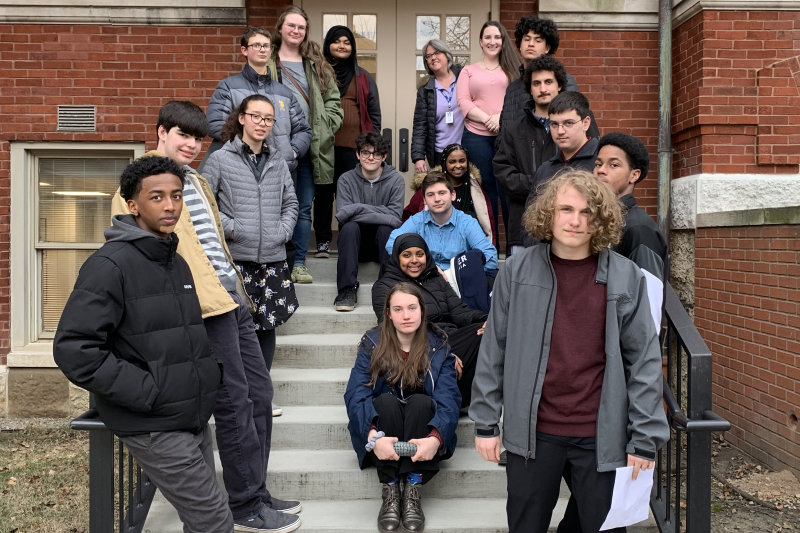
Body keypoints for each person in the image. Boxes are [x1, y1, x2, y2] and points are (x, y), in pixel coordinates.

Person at [109, 102, 301, 531]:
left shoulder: (194, 179)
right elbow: (136, 258)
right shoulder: (141, 184)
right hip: (199, 308)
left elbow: (212, 242)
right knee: (233, 404)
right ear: (162, 132)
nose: (192, 146)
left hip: (231, 299)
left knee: (259, 397)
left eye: (198, 138)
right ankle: (245, 506)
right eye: (183, 136)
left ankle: (256, 490)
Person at [470, 170, 670, 533]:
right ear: (550, 213)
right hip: (533, 435)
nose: (575, 221)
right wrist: (485, 422)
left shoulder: (627, 276)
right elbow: (493, 350)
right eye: (566, 209)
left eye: (586, 212)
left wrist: (644, 437)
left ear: (600, 220)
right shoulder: (515, 271)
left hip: (601, 437)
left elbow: (644, 362)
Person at [54, 156, 233, 532]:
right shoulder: (110, 266)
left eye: (177, 195)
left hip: (192, 416)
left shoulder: (176, 261)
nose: (170, 205)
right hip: (154, 422)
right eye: (157, 197)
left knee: (204, 519)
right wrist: (146, 390)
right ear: (133, 205)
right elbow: (75, 349)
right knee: (215, 522)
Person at [204, 95, 299, 410]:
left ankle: (262, 396)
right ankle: (237, 396)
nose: (262, 123)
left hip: (272, 260)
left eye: (269, 118)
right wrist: (232, 229)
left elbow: (291, 203)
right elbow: (207, 204)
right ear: (241, 118)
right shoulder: (220, 158)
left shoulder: (278, 160)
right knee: (236, 332)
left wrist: (283, 232)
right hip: (236, 260)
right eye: (256, 116)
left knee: (266, 328)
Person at [344, 282, 461, 533]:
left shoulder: (438, 345)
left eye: (411, 308)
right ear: (388, 313)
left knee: (420, 402)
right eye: (398, 309)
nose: (406, 316)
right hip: (385, 429)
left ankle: (412, 487)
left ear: (422, 311)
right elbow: (356, 393)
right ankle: (390, 487)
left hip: (423, 430)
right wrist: (372, 437)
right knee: (385, 401)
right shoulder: (372, 343)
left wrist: (436, 438)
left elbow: (449, 398)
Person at [267, 6, 344, 284]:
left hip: (311, 147)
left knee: (301, 208)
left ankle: (298, 263)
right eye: (291, 26)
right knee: (272, 206)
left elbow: (334, 102)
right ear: (280, 28)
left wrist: (327, 126)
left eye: (301, 27)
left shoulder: (316, 63)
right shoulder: (267, 62)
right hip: (273, 147)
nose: (296, 31)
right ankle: (276, 261)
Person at [495, 56, 599, 256]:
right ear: (530, 88)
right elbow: (503, 174)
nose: (543, 88)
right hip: (527, 231)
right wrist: (543, 184)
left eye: (548, 82)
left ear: (559, 85)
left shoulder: (584, 122)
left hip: (580, 240)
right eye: (536, 83)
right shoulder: (513, 131)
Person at [373, 234, 487, 408]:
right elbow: (393, 329)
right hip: (421, 346)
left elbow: (460, 312)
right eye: (407, 255)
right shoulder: (385, 287)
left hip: (452, 338)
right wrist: (443, 351)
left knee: (488, 331)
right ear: (397, 256)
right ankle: (456, 400)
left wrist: (488, 320)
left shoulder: (436, 280)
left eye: (419, 254)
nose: (414, 260)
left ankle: (467, 397)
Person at [205, 26, 312, 178]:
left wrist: (292, 152)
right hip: (240, 170)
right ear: (244, 50)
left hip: (281, 170)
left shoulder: (284, 93)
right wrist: (247, 149)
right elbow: (216, 125)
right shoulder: (228, 87)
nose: (262, 49)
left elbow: (304, 130)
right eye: (256, 45)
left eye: (266, 46)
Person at [386, 172, 498, 313]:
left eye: (441, 193)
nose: (437, 199)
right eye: (430, 195)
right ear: (425, 200)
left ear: (452, 195)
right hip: (425, 278)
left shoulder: (467, 222)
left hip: (459, 281)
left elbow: (490, 255)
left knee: (490, 277)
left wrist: (457, 274)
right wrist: (429, 266)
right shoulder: (417, 220)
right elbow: (392, 243)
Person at [315, 25, 382, 259]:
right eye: (336, 41)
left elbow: (374, 113)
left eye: (347, 42)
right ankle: (322, 242)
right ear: (328, 45)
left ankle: (347, 240)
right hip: (323, 146)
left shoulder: (362, 76)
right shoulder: (317, 73)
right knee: (324, 194)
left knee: (351, 197)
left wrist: (371, 145)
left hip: (354, 149)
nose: (342, 46)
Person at [456, 21, 521, 238]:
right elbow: (463, 102)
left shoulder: (514, 70)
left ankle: (512, 248)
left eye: (497, 37)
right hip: (476, 136)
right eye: (488, 37)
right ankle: (490, 246)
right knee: (485, 192)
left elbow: (519, 100)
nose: (492, 41)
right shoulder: (468, 70)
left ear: (503, 41)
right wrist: (487, 119)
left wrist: (499, 118)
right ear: (480, 42)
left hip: (507, 137)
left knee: (507, 191)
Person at [334, 132, 405, 312]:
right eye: (365, 152)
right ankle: (346, 290)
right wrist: (383, 212)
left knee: (386, 228)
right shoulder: (346, 179)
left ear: (384, 156)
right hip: (354, 247)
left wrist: (356, 208)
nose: (371, 157)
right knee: (349, 227)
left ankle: (389, 284)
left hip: (382, 245)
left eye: (376, 153)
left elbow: (395, 218)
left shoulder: (396, 180)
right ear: (358, 155)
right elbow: (343, 215)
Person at [594, 132, 669, 284]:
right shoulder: (601, 219)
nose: (601, 170)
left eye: (613, 165)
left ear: (634, 175)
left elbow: (649, 296)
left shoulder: (639, 228)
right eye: (598, 164)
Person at [498, 16, 579, 133]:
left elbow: (573, 124)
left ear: (547, 48)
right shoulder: (512, 89)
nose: (531, 44)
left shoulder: (564, 81)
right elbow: (504, 128)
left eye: (537, 40)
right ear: (520, 46)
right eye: (526, 39)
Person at [404, 143, 495, 246]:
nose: (458, 165)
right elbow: (407, 216)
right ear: (444, 163)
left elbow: (486, 222)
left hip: (466, 246)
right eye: (452, 162)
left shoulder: (475, 187)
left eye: (462, 161)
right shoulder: (430, 186)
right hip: (434, 243)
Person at [411, 39, 465, 173]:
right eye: (428, 56)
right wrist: (418, 157)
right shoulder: (425, 91)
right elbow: (420, 126)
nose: (433, 57)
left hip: (465, 149)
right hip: (439, 154)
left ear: (447, 55)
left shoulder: (465, 78)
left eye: (437, 53)